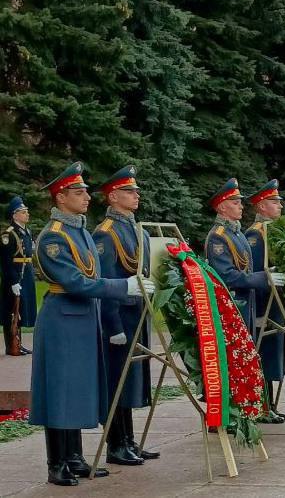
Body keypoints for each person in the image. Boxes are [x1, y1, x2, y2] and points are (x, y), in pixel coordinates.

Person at [28, 162, 154, 487]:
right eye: (78, 192)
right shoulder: (53, 237)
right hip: (62, 319)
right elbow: (75, 282)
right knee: (60, 390)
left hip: (83, 318)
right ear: (61, 197)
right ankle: (57, 462)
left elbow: (91, 276)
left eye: (85, 191)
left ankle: (74, 457)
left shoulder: (81, 231)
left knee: (78, 388)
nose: (86, 197)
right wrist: (122, 286)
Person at [93, 166, 159, 466]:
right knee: (117, 381)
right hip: (120, 316)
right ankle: (116, 444)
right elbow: (106, 282)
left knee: (131, 380)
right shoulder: (105, 233)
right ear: (113, 196)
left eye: (136, 190)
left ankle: (129, 440)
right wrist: (113, 325)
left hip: (137, 313)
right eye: (129, 191)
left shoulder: (138, 230)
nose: (136, 195)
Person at [204, 179, 285, 340]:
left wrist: (268, 272)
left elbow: (249, 267)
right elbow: (226, 275)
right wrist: (264, 278)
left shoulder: (237, 233)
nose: (241, 206)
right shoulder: (218, 237)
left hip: (247, 304)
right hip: (233, 306)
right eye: (235, 203)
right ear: (222, 207)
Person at [245, 179, 285, 424]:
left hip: (277, 301)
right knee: (264, 353)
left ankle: (271, 405)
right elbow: (255, 272)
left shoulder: (273, 230)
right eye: (274, 202)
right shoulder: (255, 234)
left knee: (275, 352)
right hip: (265, 303)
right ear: (262, 206)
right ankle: (263, 406)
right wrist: (260, 310)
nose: (279, 206)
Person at [2, 196, 36, 354]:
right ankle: (12, 346)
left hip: (26, 274)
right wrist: (13, 281)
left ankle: (18, 343)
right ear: (15, 215)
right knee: (12, 310)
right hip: (15, 276)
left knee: (21, 309)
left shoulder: (26, 231)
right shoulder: (9, 234)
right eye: (23, 212)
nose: (27, 214)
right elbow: (6, 261)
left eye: (26, 211)